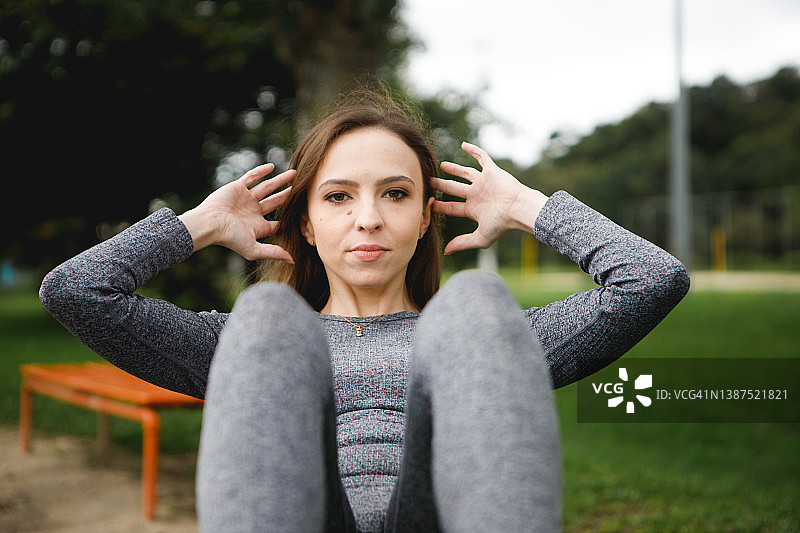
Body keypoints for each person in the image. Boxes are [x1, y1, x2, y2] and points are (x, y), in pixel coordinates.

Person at [40, 89, 690, 533]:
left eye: (397, 193)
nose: (369, 217)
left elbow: (650, 280)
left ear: (425, 216)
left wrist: (526, 206)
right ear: (309, 224)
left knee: (474, 300)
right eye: (339, 196)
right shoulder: (250, 346)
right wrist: (199, 224)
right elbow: (77, 292)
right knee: (266, 315)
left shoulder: (483, 344)